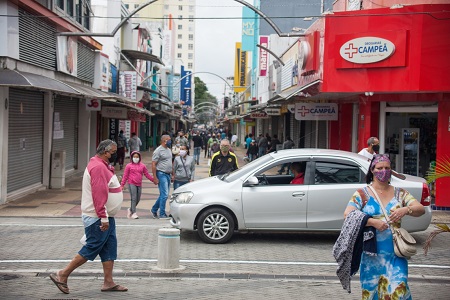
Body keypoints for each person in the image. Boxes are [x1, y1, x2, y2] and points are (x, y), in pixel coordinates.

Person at [49, 139, 128, 294]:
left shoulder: (101, 165)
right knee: (92, 247)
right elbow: (99, 195)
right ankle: (63, 274)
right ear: (105, 152)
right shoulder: (98, 167)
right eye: (113, 152)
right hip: (98, 217)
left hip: (105, 216)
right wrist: (103, 217)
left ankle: (108, 282)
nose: (115, 155)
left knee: (109, 249)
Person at [341, 154, 425, 299]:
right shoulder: (362, 194)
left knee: (398, 291)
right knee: (372, 294)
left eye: (387, 168)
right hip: (370, 255)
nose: (384, 171)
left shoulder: (400, 193)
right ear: (372, 170)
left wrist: (406, 210)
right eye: (380, 168)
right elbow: (348, 214)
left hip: (396, 253)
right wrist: (373, 222)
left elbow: (420, 209)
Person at [120, 151, 155, 219]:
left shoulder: (142, 166)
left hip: (139, 184)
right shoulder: (128, 166)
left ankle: (130, 209)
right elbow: (125, 176)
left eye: (137, 157)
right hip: (131, 183)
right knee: (133, 198)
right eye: (134, 157)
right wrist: (122, 185)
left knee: (137, 199)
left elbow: (147, 174)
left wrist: (153, 180)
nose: (136, 158)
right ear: (132, 157)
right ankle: (134, 213)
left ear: (139, 158)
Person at [151, 135, 173, 219]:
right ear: (164, 140)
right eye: (169, 140)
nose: (170, 141)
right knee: (164, 195)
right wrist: (155, 177)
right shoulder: (158, 151)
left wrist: (172, 174)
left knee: (163, 195)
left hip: (168, 174)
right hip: (161, 174)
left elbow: (170, 162)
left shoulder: (168, 150)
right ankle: (162, 214)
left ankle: (154, 209)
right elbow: (153, 164)